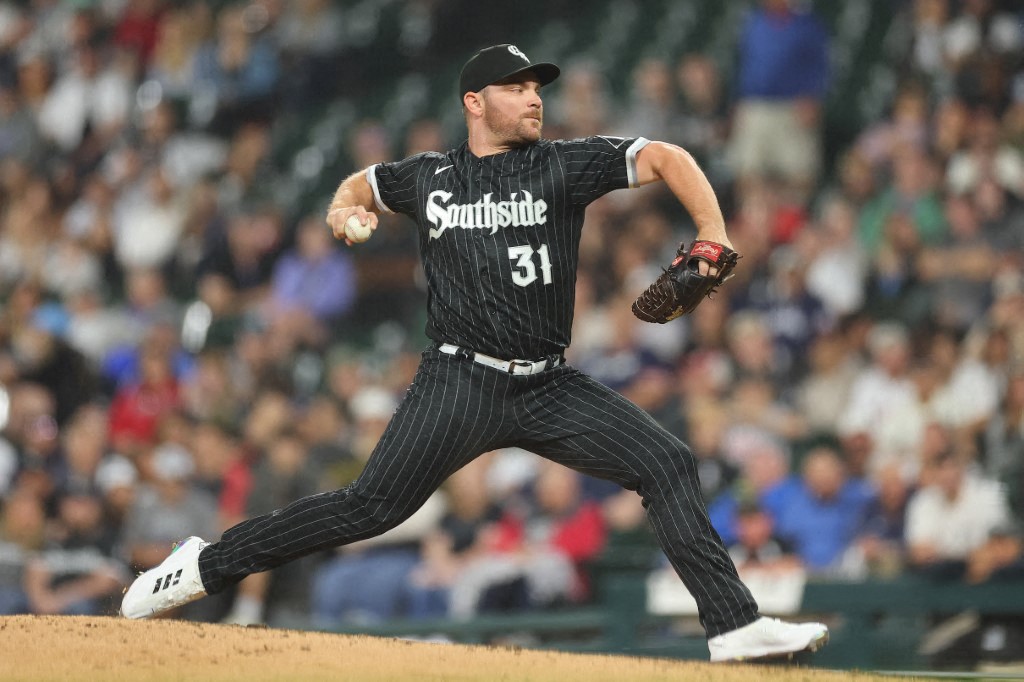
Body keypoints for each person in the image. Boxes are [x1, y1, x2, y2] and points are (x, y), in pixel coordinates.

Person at [121, 43, 828, 662]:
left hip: (548, 385)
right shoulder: (430, 177)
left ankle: (734, 627)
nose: (532, 99)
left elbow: (667, 156)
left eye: (536, 89)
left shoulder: (563, 166)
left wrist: (711, 229)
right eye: (516, 88)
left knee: (667, 462)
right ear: (474, 101)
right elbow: (361, 182)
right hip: (459, 379)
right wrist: (343, 208)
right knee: (367, 508)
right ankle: (207, 565)